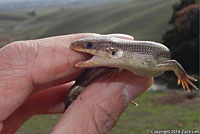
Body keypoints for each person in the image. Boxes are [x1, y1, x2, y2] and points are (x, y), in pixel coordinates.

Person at [0, 33, 153, 133]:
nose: (85, 48)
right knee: (76, 91)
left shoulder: (117, 60)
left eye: (89, 46)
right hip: (82, 84)